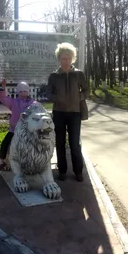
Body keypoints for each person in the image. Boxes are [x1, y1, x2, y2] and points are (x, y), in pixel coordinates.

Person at [46, 42, 88, 182]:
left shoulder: (79, 74)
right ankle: (62, 171)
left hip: (75, 113)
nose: (66, 61)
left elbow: (87, 90)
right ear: (59, 59)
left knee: (75, 143)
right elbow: (48, 92)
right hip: (59, 113)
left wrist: (79, 98)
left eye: (69, 58)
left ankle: (78, 171)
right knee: (60, 142)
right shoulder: (54, 76)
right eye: (63, 58)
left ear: (72, 59)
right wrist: (56, 98)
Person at [0, 79, 36, 172]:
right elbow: (3, 98)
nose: (23, 93)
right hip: (14, 130)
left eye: (25, 91)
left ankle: (32, 163)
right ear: (18, 92)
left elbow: (39, 111)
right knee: (5, 143)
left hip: (27, 130)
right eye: (21, 91)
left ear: (28, 92)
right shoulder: (14, 102)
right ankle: (2, 162)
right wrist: (3, 88)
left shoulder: (33, 103)